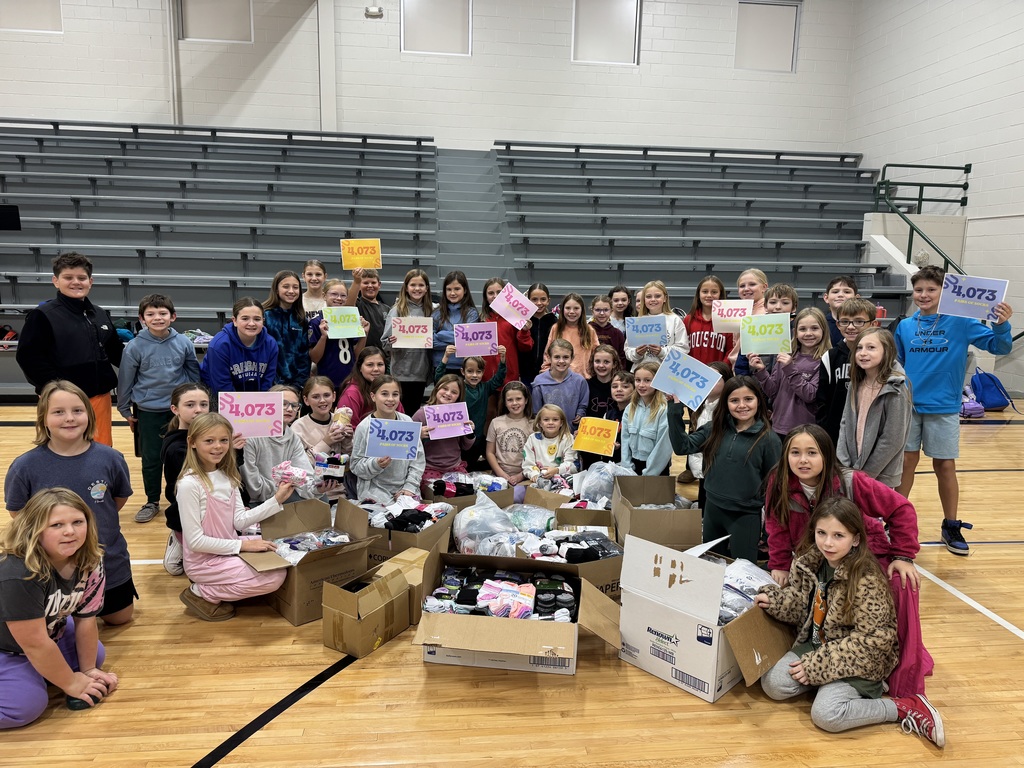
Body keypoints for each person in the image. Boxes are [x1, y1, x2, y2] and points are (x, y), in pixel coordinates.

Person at [755, 497, 944, 748]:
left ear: (855, 539)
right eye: (822, 533)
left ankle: (903, 708)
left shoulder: (866, 579)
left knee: (826, 715)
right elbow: (801, 602)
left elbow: (874, 643)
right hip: (817, 646)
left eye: (838, 535)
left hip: (858, 660)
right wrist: (776, 601)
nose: (828, 542)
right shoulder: (810, 562)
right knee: (773, 685)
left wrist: (818, 665)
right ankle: (827, 685)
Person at [764, 424, 931, 698]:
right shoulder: (778, 481)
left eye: (811, 453)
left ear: (827, 455)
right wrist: (779, 564)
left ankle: (867, 674)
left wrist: (903, 555)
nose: (802, 460)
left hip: (861, 560)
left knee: (871, 608)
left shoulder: (852, 481)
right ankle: (826, 662)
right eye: (795, 452)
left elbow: (901, 508)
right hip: (818, 562)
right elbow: (776, 524)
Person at [893, 265, 1015, 555]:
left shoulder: (961, 322)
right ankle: (895, 522)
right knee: (905, 465)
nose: (924, 295)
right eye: (919, 289)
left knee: (944, 466)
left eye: (931, 289)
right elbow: (895, 363)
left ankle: (950, 524)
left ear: (944, 292)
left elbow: (1000, 346)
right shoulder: (905, 326)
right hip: (908, 407)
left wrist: (1001, 324)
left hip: (944, 407)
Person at [5, 381, 135, 626]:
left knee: (121, 618)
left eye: (77, 410)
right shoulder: (24, 467)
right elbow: (18, 513)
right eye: (58, 412)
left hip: (106, 557)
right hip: (52, 565)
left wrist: (89, 524)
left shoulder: (110, 458)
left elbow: (117, 499)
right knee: (63, 625)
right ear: (44, 418)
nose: (69, 418)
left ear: (89, 414)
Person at [0, 488, 119, 729]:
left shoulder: (90, 559)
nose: (70, 531)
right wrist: (72, 683)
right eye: (56, 525)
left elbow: (87, 619)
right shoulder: (18, 573)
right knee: (24, 706)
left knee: (94, 655)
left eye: (78, 521)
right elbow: (33, 643)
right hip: (8, 647)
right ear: (34, 529)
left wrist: (87, 671)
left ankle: (38, 673)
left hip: (45, 634)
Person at [176, 413, 295, 622]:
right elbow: (195, 542)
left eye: (224, 440)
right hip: (204, 562)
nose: (218, 447)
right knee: (274, 579)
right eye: (209, 441)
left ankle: (221, 584)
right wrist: (243, 547)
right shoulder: (189, 485)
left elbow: (239, 520)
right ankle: (201, 592)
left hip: (228, 547)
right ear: (192, 442)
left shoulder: (227, 475)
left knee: (282, 552)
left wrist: (277, 500)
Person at [667, 376, 781, 561]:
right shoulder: (714, 429)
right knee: (711, 564)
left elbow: (775, 488)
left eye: (748, 399)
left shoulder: (769, 440)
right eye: (734, 400)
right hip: (712, 510)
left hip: (745, 516)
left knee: (741, 570)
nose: (742, 405)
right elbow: (682, 447)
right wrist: (674, 410)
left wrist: (770, 531)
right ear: (725, 403)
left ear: (758, 401)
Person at [16, 252, 123, 446]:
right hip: (62, 401)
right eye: (68, 277)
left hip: (99, 398)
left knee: (100, 448)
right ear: (56, 281)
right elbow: (29, 358)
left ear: (90, 281)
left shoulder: (99, 314)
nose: (76, 282)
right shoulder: (42, 316)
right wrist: (56, 390)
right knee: (63, 450)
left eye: (82, 278)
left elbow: (117, 353)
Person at [116, 293, 200, 524]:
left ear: (173, 316)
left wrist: (201, 404)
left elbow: (193, 373)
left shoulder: (183, 342)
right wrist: (124, 409)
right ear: (142, 318)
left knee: (184, 455)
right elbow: (125, 379)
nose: (157, 318)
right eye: (151, 314)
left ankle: (182, 498)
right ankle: (152, 500)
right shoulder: (134, 347)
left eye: (162, 313)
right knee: (152, 458)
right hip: (149, 411)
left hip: (180, 412)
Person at [838, 328, 912, 488]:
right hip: (851, 472)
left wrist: (866, 474)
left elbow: (893, 439)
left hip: (880, 475)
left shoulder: (896, 389)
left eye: (871, 347)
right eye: (859, 347)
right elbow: (845, 424)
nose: (863, 353)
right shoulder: (855, 384)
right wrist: (844, 464)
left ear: (887, 351)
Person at [750, 307, 830, 439]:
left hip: (806, 429)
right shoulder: (785, 356)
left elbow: (810, 395)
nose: (808, 333)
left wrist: (790, 368)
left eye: (814, 328)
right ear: (795, 332)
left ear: (823, 331)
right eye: (803, 329)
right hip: (779, 425)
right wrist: (761, 370)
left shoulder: (825, 360)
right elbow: (772, 392)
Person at [160, 382, 211, 577]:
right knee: (177, 570)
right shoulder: (176, 448)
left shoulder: (210, 436)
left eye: (204, 404)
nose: (199, 410)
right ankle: (178, 537)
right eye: (190, 405)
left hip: (211, 507)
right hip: (186, 511)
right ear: (175, 409)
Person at [239, 384, 321, 505]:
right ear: (268, 406)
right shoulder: (251, 436)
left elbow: (305, 476)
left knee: (321, 499)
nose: (289, 409)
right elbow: (253, 488)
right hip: (256, 501)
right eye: (283, 404)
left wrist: (318, 487)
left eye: (294, 406)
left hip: (284, 493)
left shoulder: (292, 437)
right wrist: (285, 487)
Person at [350, 376, 426, 504]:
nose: (390, 399)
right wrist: (376, 464)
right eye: (384, 394)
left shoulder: (407, 422)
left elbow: (417, 460)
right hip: (374, 489)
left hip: (406, 487)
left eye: (395, 394)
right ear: (373, 396)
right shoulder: (364, 427)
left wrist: (409, 487)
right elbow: (355, 465)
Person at [816, 298, 878, 446]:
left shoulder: (880, 357)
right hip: (835, 432)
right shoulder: (829, 357)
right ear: (838, 324)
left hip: (870, 431)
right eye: (845, 321)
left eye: (858, 321)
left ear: (873, 324)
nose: (850, 327)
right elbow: (822, 400)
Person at [434, 346, 507, 469]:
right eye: (470, 371)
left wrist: (503, 358)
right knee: (460, 466)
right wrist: (446, 357)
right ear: (463, 372)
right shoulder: (459, 387)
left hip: (477, 437)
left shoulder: (485, 388)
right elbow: (439, 380)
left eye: (478, 371)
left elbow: (499, 378)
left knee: (475, 465)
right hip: (458, 439)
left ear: (483, 372)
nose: (474, 375)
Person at [200, 297, 278, 405]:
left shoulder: (271, 344)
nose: (251, 323)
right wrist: (240, 409)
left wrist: (259, 404)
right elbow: (222, 386)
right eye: (245, 318)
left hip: (254, 399)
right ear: (235, 321)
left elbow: (268, 381)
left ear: (263, 321)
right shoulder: (219, 345)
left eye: (257, 319)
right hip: (219, 397)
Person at [382, 268, 434, 416]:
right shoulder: (397, 310)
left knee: (413, 412)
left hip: (421, 372)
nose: (417, 288)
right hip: (400, 373)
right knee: (398, 413)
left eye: (421, 285)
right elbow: (385, 343)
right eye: (413, 285)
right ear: (406, 287)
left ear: (427, 288)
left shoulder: (432, 310)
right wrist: (392, 342)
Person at [413, 374, 476, 495]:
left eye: (454, 392)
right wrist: (418, 435)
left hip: (455, 466)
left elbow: (465, 446)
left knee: (464, 493)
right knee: (437, 494)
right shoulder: (421, 414)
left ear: (458, 397)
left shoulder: (460, 415)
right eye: (445, 388)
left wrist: (470, 433)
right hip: (429, 467)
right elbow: (407, 446)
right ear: (437, 389)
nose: (448, 393)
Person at [680, 361, 733, 497]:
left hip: (717, 473)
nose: (707, 383)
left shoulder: (727, 411)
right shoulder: (701, 407)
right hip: (701, 468)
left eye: (713, 379)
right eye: (705, 378)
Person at [308, 279, 369, 391]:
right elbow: (315, 358)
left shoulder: (351, 318)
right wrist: (323, 337)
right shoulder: (317, 321)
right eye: (334, 294)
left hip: (350, 380)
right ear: (324, 295)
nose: (339, 298)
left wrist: (364, 334)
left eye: (343, 295)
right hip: (326, 381)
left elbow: (356, 354)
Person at [620, 361, 671, 477]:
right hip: (632, 467)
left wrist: (648, 474)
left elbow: (663, 447)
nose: (641, 385)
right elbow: (625, 439)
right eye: (638, 380)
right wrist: (627, 467)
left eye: (647, 380)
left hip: (656, 469)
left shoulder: (663, 410)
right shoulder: (630, 408)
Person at [479, 277, 533, 385]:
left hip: (509, 375)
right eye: (490, 293)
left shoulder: (515, 318)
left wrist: (524, 332)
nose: (495, 296)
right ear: (485, 297)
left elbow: (526, 347)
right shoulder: (481, 319)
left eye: (499, 292)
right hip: (486, 377)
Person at [262, 270, 311, 389]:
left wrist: (299, 384)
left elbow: (304, 357)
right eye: (286, 287)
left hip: (295, 385)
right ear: (276, 290)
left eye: (295, 287)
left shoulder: (300, 319)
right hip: (270, 384)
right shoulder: (265, 317)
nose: (291, 291)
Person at [624, 280, 690, 369]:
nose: (653, 300)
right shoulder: (637, 321)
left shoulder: (674, 320)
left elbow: (683, 349)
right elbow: (628, 350)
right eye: (648, 296)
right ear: (644, 299)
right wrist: (637, 353)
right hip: (641, 372)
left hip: (666, 371)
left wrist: (662, 352)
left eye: (658, 296)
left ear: (665, 298)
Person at [335, 347, 401, 427]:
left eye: (380, 364)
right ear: (360, 368)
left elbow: (401, 420)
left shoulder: (390, 389)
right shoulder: (351, 393)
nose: (376, 369)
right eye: (370, 365)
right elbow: (346, 428)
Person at [531, 339, 589, 427]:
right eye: (557, 357)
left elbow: (583, 404)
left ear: (572, 358)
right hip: (548, 433)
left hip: (572, 433)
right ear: (549, 358)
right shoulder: (539, 382)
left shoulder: (580, 381)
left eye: (565, 357)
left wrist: (580, 412)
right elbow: (537, 412)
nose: (561, 361)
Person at [541, 292, 600, 378]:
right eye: (568, 308)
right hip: (559, 378)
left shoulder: (589, 330)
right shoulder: (556, 328)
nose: (572, 312)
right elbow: (548, 354)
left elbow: (597, 355)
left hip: (583, 379)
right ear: (562, 309)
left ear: (582, 310)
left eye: (576, 308)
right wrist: (545, 372)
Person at [486, 382, 533, 487]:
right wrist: (502, 475)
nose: (514, 403)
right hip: (499, 476)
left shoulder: (534, 425)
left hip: (526, 477)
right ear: (505, 402)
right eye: (510, 400)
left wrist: (521, 476)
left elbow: (537, 456)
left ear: (526, 400)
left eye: (518, 399)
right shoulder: (495, 422)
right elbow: (490, 452)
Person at [432, 270, 479, 374]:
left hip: (464, 368)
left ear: (465, 290)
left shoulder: (472, 313)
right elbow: (430, 341)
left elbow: (468, 340)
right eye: (449, 289)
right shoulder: (436, 313)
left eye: (457, 289)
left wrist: (440, 335)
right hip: (440, 365)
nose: (452, 293)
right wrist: (458, 338)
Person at [523, 404, 579, 490]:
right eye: (546, 419)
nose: (550, 422)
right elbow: (527, 462)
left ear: (561, 422)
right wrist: (534, 474)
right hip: (538, 479)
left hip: (562, 480)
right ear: (540, 423)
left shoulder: (568, 438)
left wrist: (556, 470)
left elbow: (572, 464)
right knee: (518, 494)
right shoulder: (533, 439)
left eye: (555, 419)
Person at [345, 267, 392, 367]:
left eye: (373, 283)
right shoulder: (358, 304)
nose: (370, 286)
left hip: (384, 360)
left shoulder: (387, 309)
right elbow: (348, 306)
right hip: (362, 358)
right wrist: (356, 281)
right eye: (365, 283)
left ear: (379, 285)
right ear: (360, 285)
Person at [683, 275, 732, 366]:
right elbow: (682, 349)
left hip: (718, 375)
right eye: (705, 291)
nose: (709, 295)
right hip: (691, 374)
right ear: (699, 294)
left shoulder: (727, 321)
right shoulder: (688, 320)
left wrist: (721, 370)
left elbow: (730, 351)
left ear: (720, 294)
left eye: (714, 292)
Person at [729, 267, 769, 372]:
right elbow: (735, 343)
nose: (746, 289)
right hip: (737, 367)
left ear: (764, 287)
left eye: (752, 284)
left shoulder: (769, 311)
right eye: (742, 286)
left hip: (759, 368)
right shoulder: (736, 312)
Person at [522, 283, 557, 386]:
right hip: (526, 373)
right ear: (528, 300)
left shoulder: (554, 322)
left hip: (547, 373)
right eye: (534, 299)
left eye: (543, 299)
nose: (539, 303)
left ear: (548, 301)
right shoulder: (522, 321)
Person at [589, 295, 627, 370]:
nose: (602, 313)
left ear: (611, 311)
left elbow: (622, 359)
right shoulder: (585, 331)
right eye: (598, 310)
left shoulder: (617, 334)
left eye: (606, 310)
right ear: (592, 311)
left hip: (613, 375)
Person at [823, 275, 860, 347]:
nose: (840, 295)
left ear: (856, 298)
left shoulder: (863, 323)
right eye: (835, 292)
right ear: (826, 298)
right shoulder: (821, 323)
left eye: (846, 292)